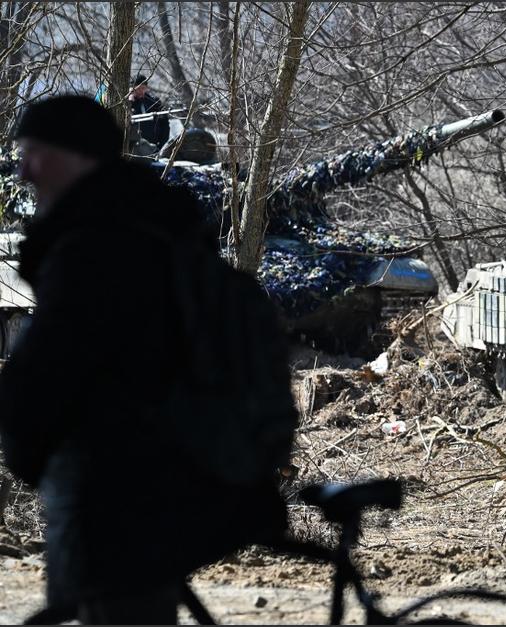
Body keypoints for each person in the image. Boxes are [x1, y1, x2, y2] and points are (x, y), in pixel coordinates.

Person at [0, 95, 291, 624]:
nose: (22, 171)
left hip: (116, 503)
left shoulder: (96, 248)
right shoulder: (158, 231)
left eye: (34, 152)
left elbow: (43, 380)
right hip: (170, 492)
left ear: (75, 155)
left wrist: (24, 445)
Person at [128, 73, 170, 149]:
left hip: (154, 146)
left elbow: (165, 124)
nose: (141, 91)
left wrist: (161, 145)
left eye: (143, 88)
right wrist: (130, 102)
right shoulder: (128, 103)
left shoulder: (154, 102)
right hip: (134, 147)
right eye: (138, 88)